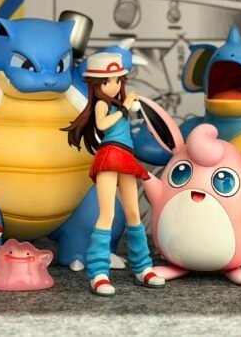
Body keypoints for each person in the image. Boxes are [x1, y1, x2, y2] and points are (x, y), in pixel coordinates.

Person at [62, 52, 165, 296]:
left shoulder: (117, 104)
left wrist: (130, 107)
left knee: (133, 212)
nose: (115, 85)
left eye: (118, 80)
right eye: (109, 81)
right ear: (97, 84)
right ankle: (98, 272)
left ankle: (143, 267)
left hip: (126, 157)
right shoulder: (102, 105)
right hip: (109, 156)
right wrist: (125, 108)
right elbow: (102, 125)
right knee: (107, 213)